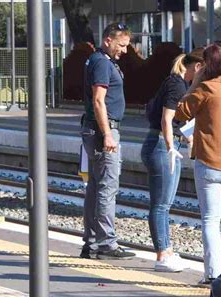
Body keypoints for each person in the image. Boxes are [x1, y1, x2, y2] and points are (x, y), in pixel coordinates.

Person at [175, 43, 221, 283]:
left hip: (210, 163)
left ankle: (213, 274)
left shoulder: (205, 89)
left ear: (208, 65)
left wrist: (195, 81)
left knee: (210, 220)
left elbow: (180, 113)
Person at [141, 48, 204, 272]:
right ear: (197, 67)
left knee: (164, 204)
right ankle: (162, 255)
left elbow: (177, 123)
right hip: (160, 146)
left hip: (164, 144)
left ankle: (166, 250)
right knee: (161, 205)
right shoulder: (176, 85)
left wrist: (185, 141)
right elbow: (167, 120)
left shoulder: (180, 83)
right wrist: (170, 147)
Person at [80, 22, 135, 260]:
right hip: (104, 131)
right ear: (108, 40)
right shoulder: (102, 63)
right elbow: (99, 100)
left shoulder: (97, 60)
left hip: (94, 130)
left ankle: (92, 243)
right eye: (121, 45)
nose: (124, 50)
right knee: (107, 187)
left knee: (95, 186)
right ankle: (106, 242)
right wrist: (108, 134)